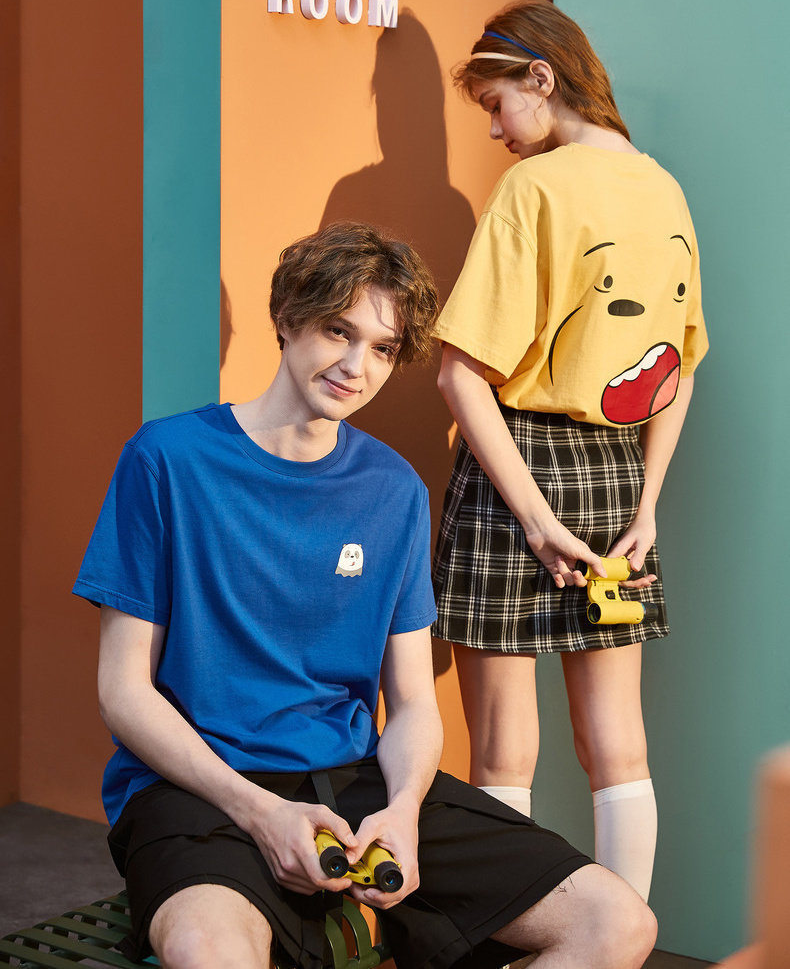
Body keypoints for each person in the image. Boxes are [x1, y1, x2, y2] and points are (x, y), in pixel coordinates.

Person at [74, 221, 655, 969]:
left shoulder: (394, 490)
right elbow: (123, 691)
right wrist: (261, 811)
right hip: (198, 788)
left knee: (616, 922)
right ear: (287, 318)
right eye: (338, 331)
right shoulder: (166, 459)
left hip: (356, 782)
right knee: (208, 950)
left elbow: (411, 704)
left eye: (383, 347)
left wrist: (403, 810)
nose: (357, 366)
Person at [432, 0, 708, 903]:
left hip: (517, 474)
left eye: (495, 103)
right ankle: (620, 940)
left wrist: (535, 519)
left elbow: (461, 376)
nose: (495, 130)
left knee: (503, 749)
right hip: (617, 476)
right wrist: (647, 504)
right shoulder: (663, 188)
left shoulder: (534, 190)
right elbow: (676, 370)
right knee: (618, 745)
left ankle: (508, 945)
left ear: (541, 78)